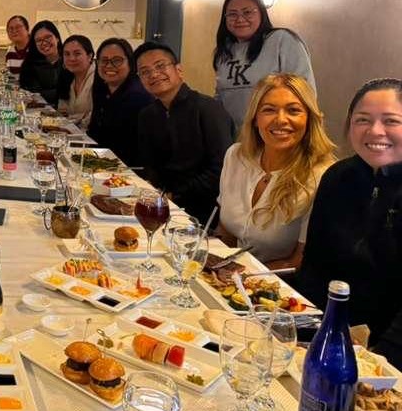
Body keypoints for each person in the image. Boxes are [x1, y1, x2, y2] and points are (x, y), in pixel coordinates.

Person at [298, 79, 402, 367]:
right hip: (331, 337)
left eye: (391, 121)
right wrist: (305, 331)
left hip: (387, 356)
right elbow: (315, 266)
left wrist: (375, 363)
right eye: (362, 120)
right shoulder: (337, 177)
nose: (375, 131)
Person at [215, 75, 336, 267]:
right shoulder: (236, 156)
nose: (280, 120)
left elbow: (299, 261)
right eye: (269, 110)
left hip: (275, 285)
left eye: (293, 110)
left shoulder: (324, 176)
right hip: (227, 275)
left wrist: (242, 276)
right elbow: (225, 230)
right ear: (255, 119)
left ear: (309, 119)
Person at [134, 41, 235, 222]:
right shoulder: (147, 115)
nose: (154, 74)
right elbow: (149, 164)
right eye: (145, 72)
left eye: (160, 66)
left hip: (203, 211)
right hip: (160, 204)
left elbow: (222, 168)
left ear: (178, 70)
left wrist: (175, 196)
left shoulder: (208, 109)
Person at [213, 0, 316, 132]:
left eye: (247, 12)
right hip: (237, 140)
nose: (240, 19)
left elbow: (304, 92)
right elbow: (221, 97)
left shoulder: (282, 40)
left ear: (261, 13)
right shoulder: (224, 51)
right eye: (232, 14)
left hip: (277, 133)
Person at [87, 38, 152, 167]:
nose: (109, 66)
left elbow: (129, 147)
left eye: (117, 60)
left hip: (126, 170)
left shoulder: (137, 96)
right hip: (102, 161)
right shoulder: (102, 89)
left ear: (130, 63)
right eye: (104, 61)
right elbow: (95, 132)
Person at [19, 20, 67, 107]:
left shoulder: (69, 61)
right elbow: (30, 95)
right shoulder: (30, 65)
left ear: (57, 38)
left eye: (48, 37)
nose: (44, 43)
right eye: (38, 40)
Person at [57, 35, 95, 129]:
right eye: (67, 54)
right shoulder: (66, 77)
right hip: (69, 132)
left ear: (89, 56)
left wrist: (71, 121)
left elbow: (96, 116)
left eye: (77, 54)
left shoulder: (99, 78)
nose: (72, 58)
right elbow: (62, 111)